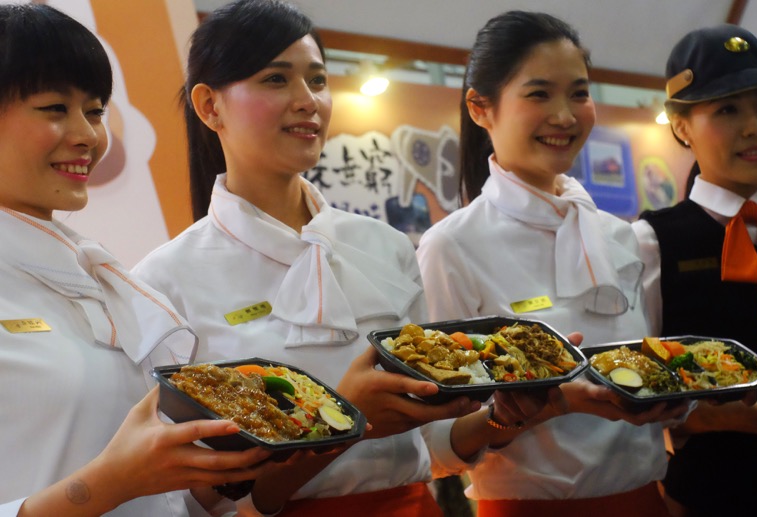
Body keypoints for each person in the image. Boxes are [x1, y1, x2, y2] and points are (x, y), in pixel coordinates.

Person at [132, 1, 486, 515]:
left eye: (317, 80)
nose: (308, 101)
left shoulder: (385, 245)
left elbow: (432, 445)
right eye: (276, 80)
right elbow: (196, 497)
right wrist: (346, 422)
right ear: (209, 106)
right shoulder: (164, 281)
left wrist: (513, 417)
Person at [0, 4, 273, 517]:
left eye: (96, 110)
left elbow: (157, 494)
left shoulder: (100, 276)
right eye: (55, 108)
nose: (88, 135)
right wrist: (107, 485)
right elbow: (112, 480)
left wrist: (216, 477)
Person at [417, 11, 686, 517]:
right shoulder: (451, 247)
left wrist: (680, 398)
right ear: (481, 108)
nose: (564, 115)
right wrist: (538, 409)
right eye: (539, 94)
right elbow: (436, 444)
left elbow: (651, 368)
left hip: (646, 502)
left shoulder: (618, 235)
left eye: (579, 94)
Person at [634, 24, 757, 516]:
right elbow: (635, 390)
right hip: (713, 494)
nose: (754, 127)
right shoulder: (649, 243)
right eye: (728, 109)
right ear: (680, 126)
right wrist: (704, 417)